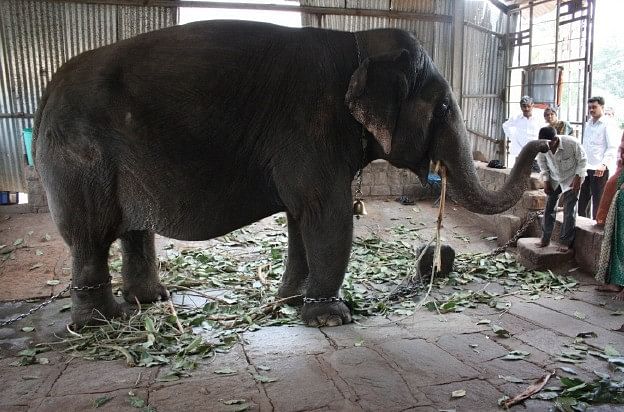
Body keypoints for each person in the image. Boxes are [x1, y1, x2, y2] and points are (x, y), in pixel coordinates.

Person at [535, 126, 587, 252]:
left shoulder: (572, 143)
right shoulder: (542, 147)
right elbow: (542, 164)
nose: (546, 146)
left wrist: (578, 178)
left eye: (548, 143)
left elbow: (583, 161)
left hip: (571, 178)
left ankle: (565, 242)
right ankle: (545, 238)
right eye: (542, 142)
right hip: (553, 178)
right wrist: (546, 181)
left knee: (569, 211)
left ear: (555, 139)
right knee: (549, 208)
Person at [578, 96, 620, 220]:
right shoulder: (589, 123)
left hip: (599, 169)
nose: (591, 110)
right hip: (585, 168)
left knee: (598, 204)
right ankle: (582, 230)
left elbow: (612, 147)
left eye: (594, 107)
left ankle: (596, 233)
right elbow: (585, 146)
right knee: (582, 204)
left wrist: (603, 164)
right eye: (590, 107)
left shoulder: (608, 124)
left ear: (602, 107)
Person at [503, 96, 542, 170]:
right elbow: (505, 126)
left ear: (532, 106)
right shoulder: (516, 118)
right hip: (520, 151)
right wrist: (513, 137)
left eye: (528, 106)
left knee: (535, 175)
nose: (526, 109)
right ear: (521, 107)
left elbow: (544, 130)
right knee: (519, 174)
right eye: (524, 106)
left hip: (535, 153)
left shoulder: (539, 118)